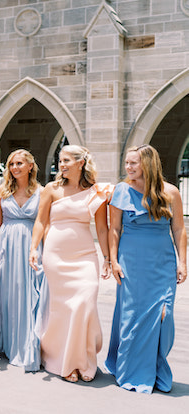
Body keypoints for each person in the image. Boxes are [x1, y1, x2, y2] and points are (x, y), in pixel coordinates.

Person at [106, 144, 187, 393]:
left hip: (162, 263)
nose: (128, 167)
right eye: (127, 163)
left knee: (164, 316)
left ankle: (156, 367)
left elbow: (178, 229)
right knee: (132, 317)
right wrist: (113, 260)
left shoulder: (171, 192)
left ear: (148, 164)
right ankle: (132, 369)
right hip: (131, 263)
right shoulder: (120, 191)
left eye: (133, 163)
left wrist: (182, 261)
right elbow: (114, 229)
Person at [29, 145, 110, 383]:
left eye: (66, 160)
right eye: (60, 160)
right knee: (63, 309)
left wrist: (107, 258)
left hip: (85, 255)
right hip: (56, 256)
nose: (61, 165)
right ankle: (64, 361)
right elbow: (41, 222)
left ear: (80, 162)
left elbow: (103, 229)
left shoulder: (96, 192)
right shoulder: (51, 190)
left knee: (84, 304)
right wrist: (34, 248)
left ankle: (82, 361)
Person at [0, 149, 47, 372]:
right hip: (6, 246)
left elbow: (43, 223)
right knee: (7, 294)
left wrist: (43, 250)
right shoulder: (2, 190)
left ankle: (27, 346)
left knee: (29, 294)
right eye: (11, 164)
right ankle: (8, 342)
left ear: (30, 166)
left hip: (30, 245)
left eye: (19, 163)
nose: (14, 167)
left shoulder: (42, 192)